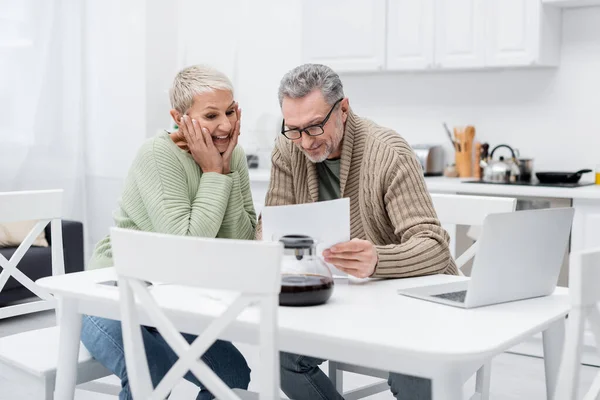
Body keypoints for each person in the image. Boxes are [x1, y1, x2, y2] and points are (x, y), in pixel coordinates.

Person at [258, 63, 458, 400]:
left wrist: (377, 259)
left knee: (414, 374)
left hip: (407, 301)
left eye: (315, 127)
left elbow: (434, 247)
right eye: (293, 129)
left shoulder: (388, 152)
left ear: (344, 110)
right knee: (281, 355)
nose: (304, 142)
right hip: (338, 302)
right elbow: (270, 228)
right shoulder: (287, 148)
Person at [81, 65, 255, 400]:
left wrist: (225, 165)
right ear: (179, 116)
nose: (226, 125)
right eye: (211, 115)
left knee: (232, 375)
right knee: (152, 368)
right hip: (109, 294)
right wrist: (213, 173)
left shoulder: (233, 155)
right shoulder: (157, 154)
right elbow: (185, 248)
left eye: (231, 111)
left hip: (169, 300)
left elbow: (242, 245)